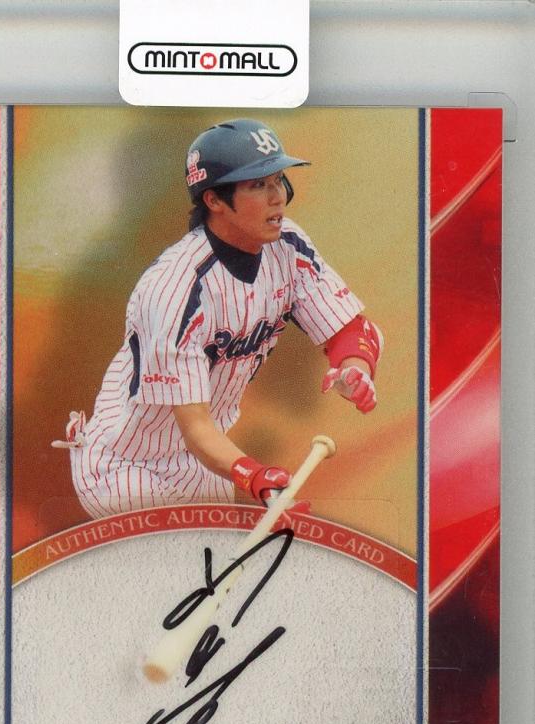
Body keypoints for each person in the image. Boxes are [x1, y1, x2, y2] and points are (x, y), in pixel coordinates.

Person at [63, 118, 382, 520]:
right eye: (258, 184)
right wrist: (254, 475)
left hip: (203, 459)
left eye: (278, 179)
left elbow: (351, 329)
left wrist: (355, 368)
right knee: (180, 556)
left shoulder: (287, 244)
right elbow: (193, 424)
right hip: (126, 463)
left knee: (244, 557)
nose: (278, 197)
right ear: (214, 200)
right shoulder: (175, 288)